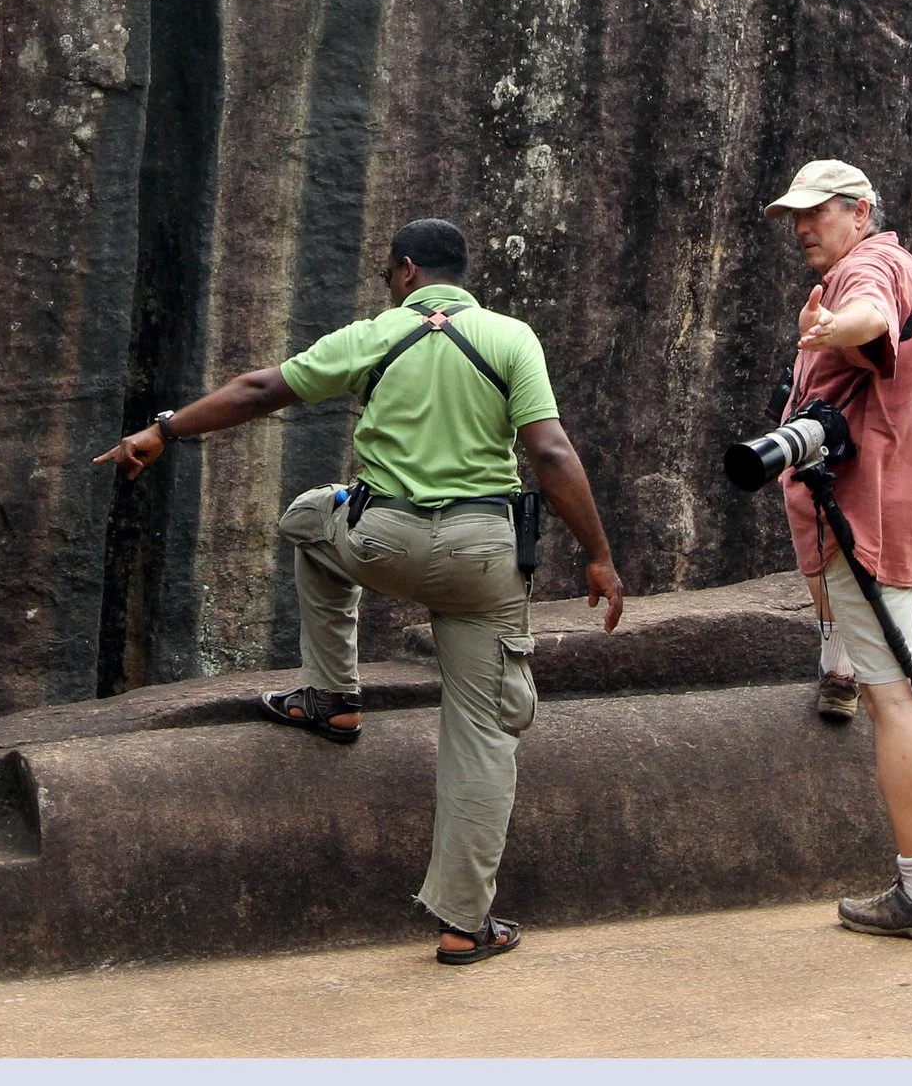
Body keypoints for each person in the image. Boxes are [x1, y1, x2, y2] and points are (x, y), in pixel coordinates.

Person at [96, 217, 625, 966]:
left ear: (407, 270)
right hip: (484, 559)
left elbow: (257, 389)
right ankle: (463, 924)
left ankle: (334, 696)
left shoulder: (374, 335)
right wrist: (600, 556)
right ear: (459, 275)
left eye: (388, 270)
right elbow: (549, 448)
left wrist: (164, 429)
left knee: (311, 516)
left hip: (383, 543)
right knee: (481, 731)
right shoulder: (512, 338)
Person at [765, 159, 912, 943]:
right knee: (880, 670)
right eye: (794, 214)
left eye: (817, 211)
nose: (802, 226)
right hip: (896, 504)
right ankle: (837, 655)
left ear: (860, 211)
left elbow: (868, 315)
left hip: (869, 519)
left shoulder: (872, 266)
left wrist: (833, 326)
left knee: (895, 701)